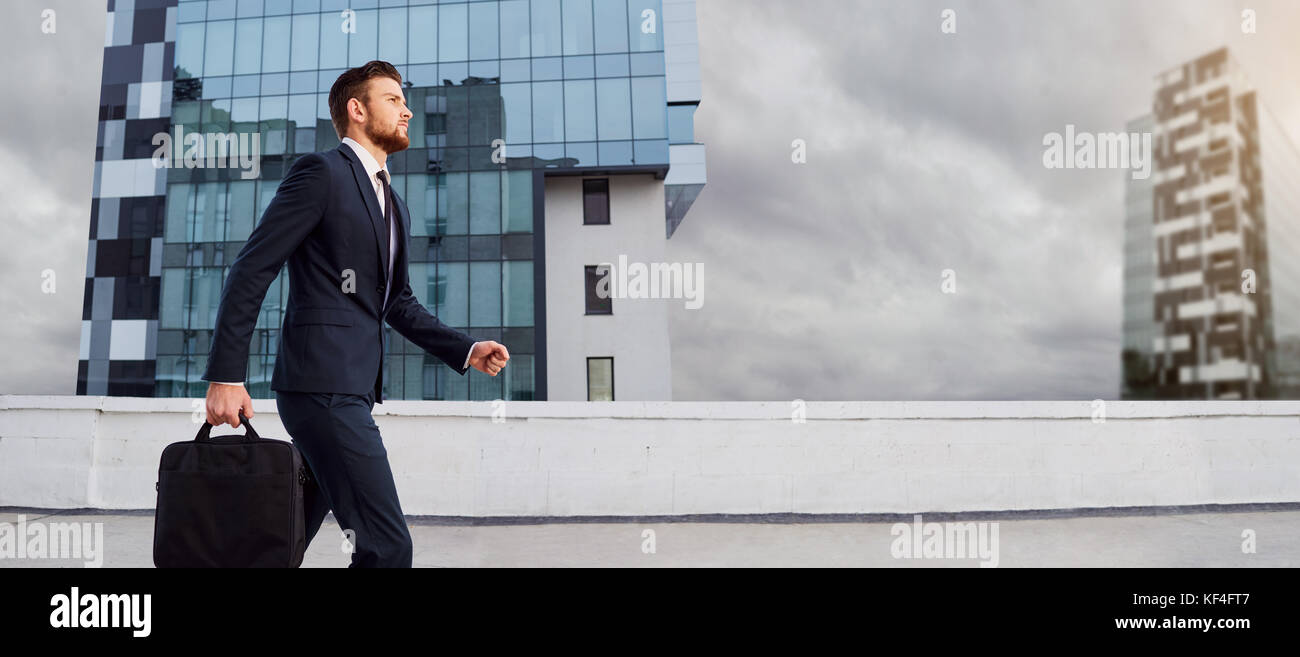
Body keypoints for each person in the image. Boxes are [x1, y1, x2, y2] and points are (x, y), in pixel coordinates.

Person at [202, 60, 509, 567]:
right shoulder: (321, 173)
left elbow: (398, 303)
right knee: (387, 548)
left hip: (353, 391)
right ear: (357, 109)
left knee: (276, 541)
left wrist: (467, 348)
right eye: (393, 99)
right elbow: (252, 268)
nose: (407, 109)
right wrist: (226, 377)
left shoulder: (395, 205)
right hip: (322, 389)